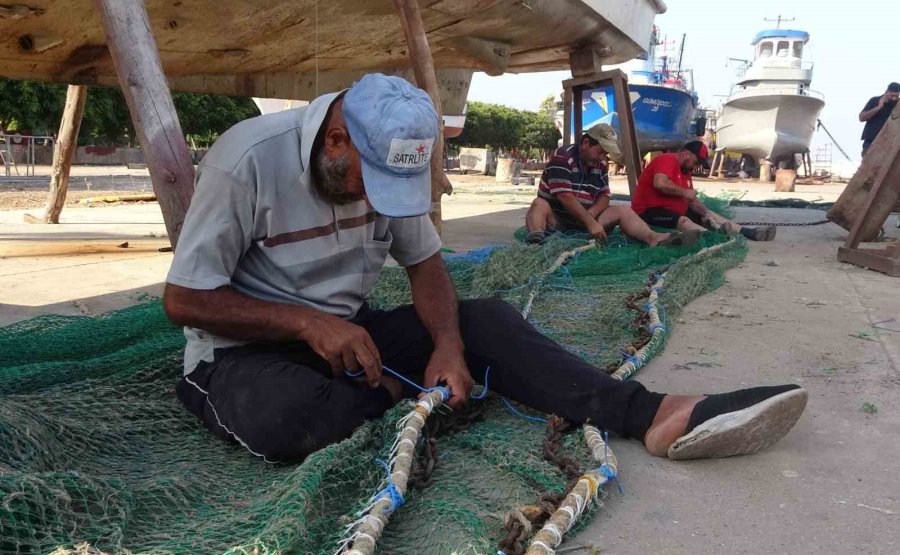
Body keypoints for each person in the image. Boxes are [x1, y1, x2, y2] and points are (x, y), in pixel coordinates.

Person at [163, 73, 806, 464]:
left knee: (486, 322)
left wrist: (444, 343)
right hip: (239, 353)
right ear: (336, 141)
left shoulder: (390, 162)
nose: (377, 201)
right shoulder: (245, 161)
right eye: (370, 182)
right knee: (291, 417)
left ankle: (654, 415)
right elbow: (185, 300)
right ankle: (405, 392)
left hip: (351, 342)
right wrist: (306, 324)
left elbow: (427, 267)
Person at [524, 124, 699, 247]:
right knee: (539, 204)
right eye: (600, 151)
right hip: (557, 220)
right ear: (586, 144)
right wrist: (590, 222)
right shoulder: (562, 159)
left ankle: (653, 238)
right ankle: (536, 241)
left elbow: (604, 196)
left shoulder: (600, 164)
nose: (602, 157)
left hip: (585, 219)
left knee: (623, 210)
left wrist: (591, 217)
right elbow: (565, 197)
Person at [632, 141, 777, 241]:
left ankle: (748, 232)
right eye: (696, 162)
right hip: (649, 212)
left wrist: (707, 213)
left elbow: (692, 201)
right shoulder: (667, 159)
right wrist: (684, 193)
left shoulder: (686, 171)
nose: (696, 167)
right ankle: (716, 240)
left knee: (708, 214)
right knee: (683, 220)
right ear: (687, 154)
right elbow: (660, 183)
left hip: (673, 210)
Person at [858, 82, 900, 156]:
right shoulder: (875, 100)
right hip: (872, 140)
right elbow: (861, 117)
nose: (894, 98)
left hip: (891, 143)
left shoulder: (898, 104)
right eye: (892, 95)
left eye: (896, 96)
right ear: (886, 92)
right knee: (869, 164)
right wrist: (878, 107)